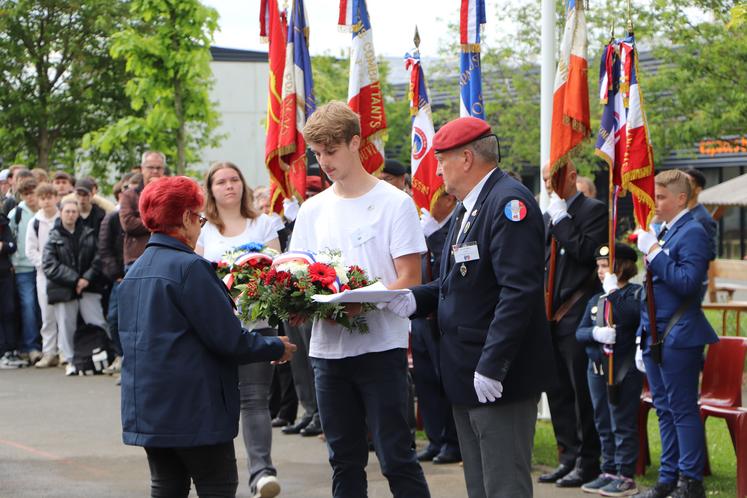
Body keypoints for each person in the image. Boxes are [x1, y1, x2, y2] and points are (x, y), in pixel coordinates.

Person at [387, 116, 555, 498]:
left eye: (441, 159)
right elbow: (459, 283)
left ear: (465, 158)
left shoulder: (509, 204)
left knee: (504, 485)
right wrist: (414, 298)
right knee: (480, 486)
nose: (436, 169)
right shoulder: (468, 207)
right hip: (466, 372)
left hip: (497, 375)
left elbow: (518, 291)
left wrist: (494, 364)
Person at [117, 176, 295, 498]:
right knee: (217, 486)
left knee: (166, 487)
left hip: (149, 409)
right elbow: (227, 339)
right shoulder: (190, 268)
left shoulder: (135, 271)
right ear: (185, 218)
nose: (200, 225)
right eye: (198, 218)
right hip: (194, 409)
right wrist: (274, 345)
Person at [290, 101, 431, 498]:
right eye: (317, 154)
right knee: (344, 459)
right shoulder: (313, 209)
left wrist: (361, 301)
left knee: (396, 457)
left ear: (356, 143)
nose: (323, 162)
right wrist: (299, 304)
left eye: (330, 152)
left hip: (380, 349)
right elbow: (298, 272)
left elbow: (409, 279)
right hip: (327, 353)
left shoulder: (395, 203)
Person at [195, 161, 285, 498]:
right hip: (216, 330)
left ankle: (262, 472)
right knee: (214, 401)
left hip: (257, 327)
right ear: (211, 190)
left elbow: (277, 274)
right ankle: (214, 475)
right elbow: (198, 278)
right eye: (221, 181)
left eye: (235, 179)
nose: (229, 185)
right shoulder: (204, 230)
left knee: (254, 400)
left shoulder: (264, 223)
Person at [634, 170, 719, 498]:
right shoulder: (668, 231)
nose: (654, 202)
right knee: (665, 408)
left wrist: (654, 252)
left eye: (661, 197)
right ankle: (668, 480)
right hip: (657, 334)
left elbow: (687, 283)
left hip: (679, 335)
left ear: (681, 198)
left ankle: (690, 481)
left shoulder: (693, 231)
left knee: (682, 409)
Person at [541, 161, 607, 487]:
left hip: (578, 310)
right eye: (544, 180)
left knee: (581, 395)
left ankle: (588, 462)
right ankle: (567, 457)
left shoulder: (593, 210)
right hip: (550, 315)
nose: (549, 186)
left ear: (570, 176)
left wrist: (563, 221)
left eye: (553, 178)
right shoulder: (548, 214)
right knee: (558, 393)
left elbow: (586, 253)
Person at [575, 243, 643, 496]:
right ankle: (609, 469)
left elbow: (630, 315)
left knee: (621, 423)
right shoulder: (597, 298)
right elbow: (579, 332)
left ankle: (625, 475)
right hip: (597, 368)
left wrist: (614, 293)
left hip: (623, 369)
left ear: (621, 267)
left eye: (605, 266)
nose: (601, 271)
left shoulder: (633, 294)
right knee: (602, 420)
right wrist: (595, 332)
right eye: (599, 266)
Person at [410, 190, 462, 465]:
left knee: (447, 381)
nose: (425, 201)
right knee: (426, 382)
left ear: (448, 201)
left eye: (433, 196)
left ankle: (453, 442)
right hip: (421, 318)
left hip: (444, 317)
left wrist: (433, 235)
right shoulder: (423, 228)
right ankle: (435, 439)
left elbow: (452, 266)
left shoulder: (455, 223)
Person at [43, 199, 108, 376]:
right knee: (65, 326)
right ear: (61, 212)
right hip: (64, 290)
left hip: (89, 287)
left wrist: (85, 279)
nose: (71, 214)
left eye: (74, 211)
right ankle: (71, 361)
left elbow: (98, 258)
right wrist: (75, 280)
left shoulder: (89, 233)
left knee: (97, 321)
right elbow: (49, 265)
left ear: (78, 214)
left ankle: (103, 355)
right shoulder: (53, 236)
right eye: (67, 211)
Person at [25, 183, 60, 368]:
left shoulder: (63, 217)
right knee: (47, 315)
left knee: (64, 314)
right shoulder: (35, 222)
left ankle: (64, 351)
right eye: (43, 198)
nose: (47, 201)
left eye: (50, 197)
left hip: (63, 274)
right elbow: (30, 250)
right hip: (44, 275)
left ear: (56, 198)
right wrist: (45, 265)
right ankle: (49, 352)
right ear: (39, 201)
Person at [8, 177, 42, 364]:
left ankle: (45, 344)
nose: (30, 197)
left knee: (42, 308)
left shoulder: (44, 212)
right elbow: (11, 237)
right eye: (26, 194)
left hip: (43, 267)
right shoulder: (16, 213)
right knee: (28, 306)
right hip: (23, 267)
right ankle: (31, 346)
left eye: (33, 193)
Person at [98, 179, 128, 374]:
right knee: (114, 319)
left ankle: (130, 358)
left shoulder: (145, 218)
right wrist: (116, 274)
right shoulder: (112, 218)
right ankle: (120, 354)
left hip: (139, 275)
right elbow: (104, 249)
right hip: (120, 278)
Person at [120, 151, 165, 269]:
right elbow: (128, 224)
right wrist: (160, 221)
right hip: (136, 259)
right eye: (151, 167)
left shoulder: (169, 196)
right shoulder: (129, 195)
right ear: (142, 169)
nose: (155, 171)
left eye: (158, 168)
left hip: (164, 257)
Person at [682, 168, 717, 261]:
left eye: (688, 183)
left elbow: (710, 253)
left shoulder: (703, 219)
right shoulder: (679, 213)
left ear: (698, 190)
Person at [0, 210, 20, 368]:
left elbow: (11, 245)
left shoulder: (3, 222)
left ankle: (11, 349)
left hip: (4, 273)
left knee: (9, 310)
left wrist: (2, 246)